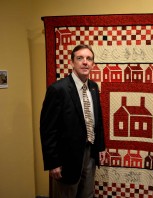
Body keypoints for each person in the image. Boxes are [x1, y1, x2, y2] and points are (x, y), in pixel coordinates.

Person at [40, 44, 106, 198]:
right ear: (72, 62)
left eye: (89, 59)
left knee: (87, 194)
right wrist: (52, 162)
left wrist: (101, 147)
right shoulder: (58, 89)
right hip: (67, 157)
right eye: (80, 58)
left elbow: (98, 119)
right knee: (67, 194)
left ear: (93, 64)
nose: (85, 62)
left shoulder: (94, 87)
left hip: (90, 153)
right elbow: (47, 129)